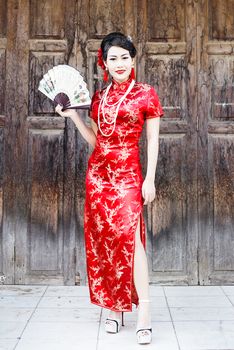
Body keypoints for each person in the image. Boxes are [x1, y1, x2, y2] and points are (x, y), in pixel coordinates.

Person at [55, 32, 164, 345]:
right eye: (113, 58)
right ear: (104, 62)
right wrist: (75, 116)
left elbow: (154, 140)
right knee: (105, 240)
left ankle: (144, 311)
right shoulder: (100, 98)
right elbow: (96, 140)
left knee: (132, 239)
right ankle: (114, 307)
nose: (119, 63)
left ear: (133, 60)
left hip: (129, 174)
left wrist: (150, 179)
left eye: (125, 57)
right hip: (99, 175)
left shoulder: (146, 94)